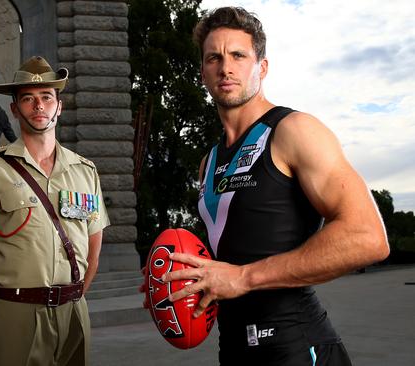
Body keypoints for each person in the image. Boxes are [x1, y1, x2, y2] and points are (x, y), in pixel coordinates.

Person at [151, 7, 389, 365]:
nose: (225, 67)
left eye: (238, 56)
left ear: (261, 67)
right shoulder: (210, 160)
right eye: (213, 57)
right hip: (233, 349)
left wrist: (244, 277)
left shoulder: (293, 130)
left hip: (295, 345)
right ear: (202, 72)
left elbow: (368, 237)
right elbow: (226, 256)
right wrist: (174, 281)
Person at [0, 56, 109, 366]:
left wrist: (71, 298)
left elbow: (94, 253)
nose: (39, 106)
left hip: (73, 315)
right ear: (14, 109)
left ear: (59, 106)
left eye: (47, 97)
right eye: (28, 99)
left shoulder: (85, 172)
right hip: (12, 315)